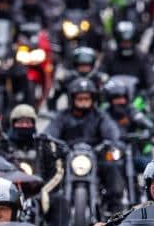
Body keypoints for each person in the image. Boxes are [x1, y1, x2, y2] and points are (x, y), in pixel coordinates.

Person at [45, 78, 124, 214]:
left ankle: (114, 208)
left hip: (95, 156)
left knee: (112, 165)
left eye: (86, 98)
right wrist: (50, 141)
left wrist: (111, 141)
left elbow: (111, 132)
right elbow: (50, 133)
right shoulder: (62, 116)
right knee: (48, 166)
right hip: (67, 157)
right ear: (72, 99)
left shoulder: (100, 116)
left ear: (93, 99)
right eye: (79, 98)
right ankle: (47, 208)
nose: (83, 102)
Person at [4, 104, 70, 226]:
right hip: (7, 193)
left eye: (28, 122)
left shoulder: (44, 144)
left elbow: (57, 172)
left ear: (34, 124)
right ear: (12, 124)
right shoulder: (3, 146)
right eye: (20, 122)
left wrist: (44, 191)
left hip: (40, 192)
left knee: (61, 201)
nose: (24, 126)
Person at [101, 78, 154, 172]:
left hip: (133, 153)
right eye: (116, 98)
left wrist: (151, 131)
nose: (120, 101)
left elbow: (144, 122)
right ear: (110, 100)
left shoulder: (131, 111)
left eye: (122, 97)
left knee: (152, 169)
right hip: (111, 156)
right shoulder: (104, 114)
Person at [99, 20, 152, 97]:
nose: (126, 45)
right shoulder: (109, 57)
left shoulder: (142, 58)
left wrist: (145, 91)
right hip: (113, 98)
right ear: (118, 41)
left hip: (136, 99)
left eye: (128, 42)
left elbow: (150, 78)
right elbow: (101, 73)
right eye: (123, 42)